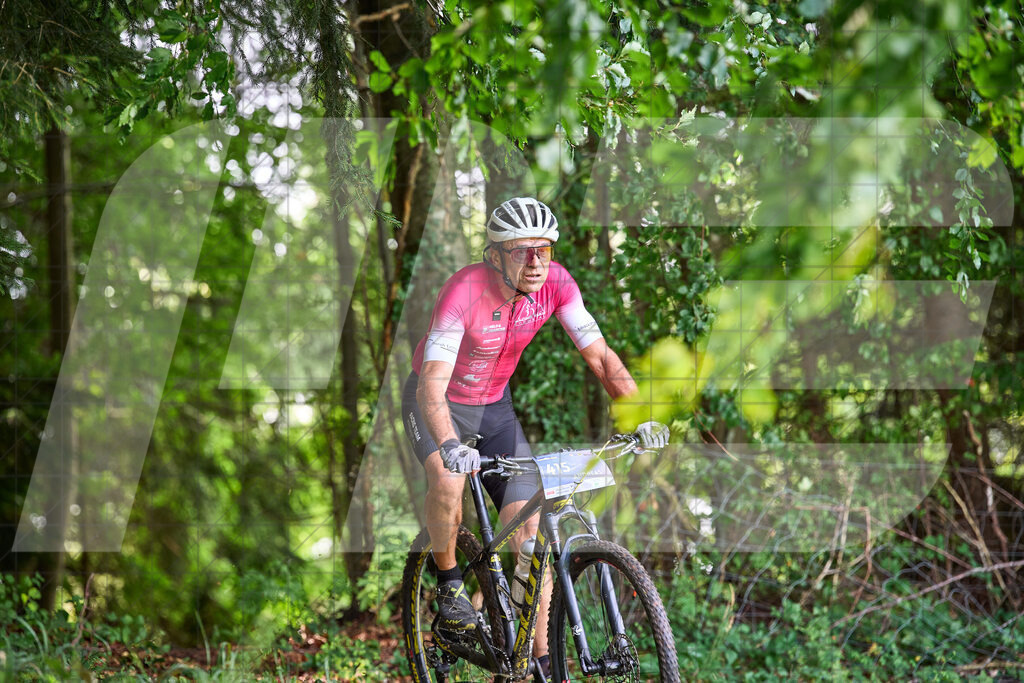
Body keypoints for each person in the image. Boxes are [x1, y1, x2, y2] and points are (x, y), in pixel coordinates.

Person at [401, 196, 667, 679]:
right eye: (522, 250)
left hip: (495, 408)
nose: (536, 261)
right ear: (496, 254)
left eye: (543, 249)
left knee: (529, 538)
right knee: (446, 479)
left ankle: (535, 659)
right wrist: (450, 445)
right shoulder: (463, 291)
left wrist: (639, 417)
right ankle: (448, 586)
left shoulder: (557, 284)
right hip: (438, 401)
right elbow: (431, 387)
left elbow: (603, 359)